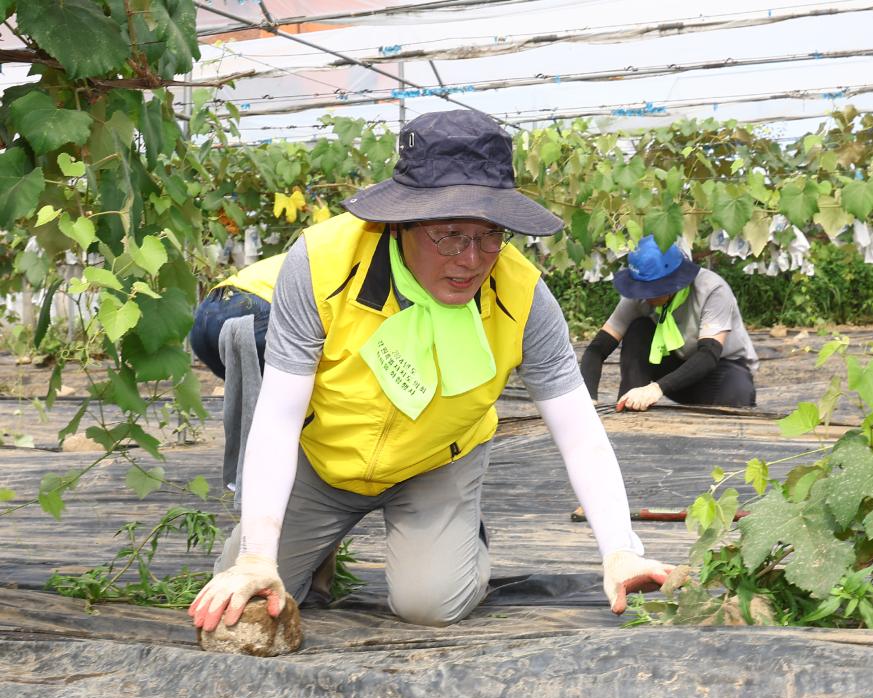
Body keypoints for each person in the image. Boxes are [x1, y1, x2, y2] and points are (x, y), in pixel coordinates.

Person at [188, 109, 674, 632]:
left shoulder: (523, 295)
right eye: (449, 234)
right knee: (246, 599)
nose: (471, 259)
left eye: (490, 235)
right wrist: (258, 556)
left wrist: (620, 550)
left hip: (435, 462)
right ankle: (311, 548)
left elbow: (579, 431)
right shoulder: (324, 263)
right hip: (325, 459)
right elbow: (279, 416)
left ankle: (460, 532)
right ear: (401, 222)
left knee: (432, 604)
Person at [579, 235, 758, 412]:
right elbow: (597, 349)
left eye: (653, 290)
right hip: (676, 371)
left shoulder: (711, 289)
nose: (646, 296)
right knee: (638, 330)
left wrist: (656, 389)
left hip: (720, 372)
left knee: (737, 393)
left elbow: (708, 354)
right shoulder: (639, 297)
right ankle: (629, 406)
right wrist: (587, 400)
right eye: (643, 289)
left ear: (673, 282)